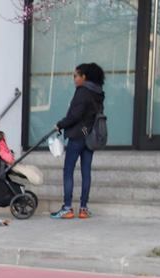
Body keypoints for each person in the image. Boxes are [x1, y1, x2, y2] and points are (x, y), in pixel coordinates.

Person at [51, 62, 105, 220]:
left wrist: (60, 124)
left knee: (68, 170)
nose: (74, 79)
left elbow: (75, 115)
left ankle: (67, 208)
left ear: (84, 77)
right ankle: (83, 208)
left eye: (75, 75)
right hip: (90, 136)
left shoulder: (83, 92)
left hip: (78, 136)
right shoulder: (98, 93)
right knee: (86, 171)